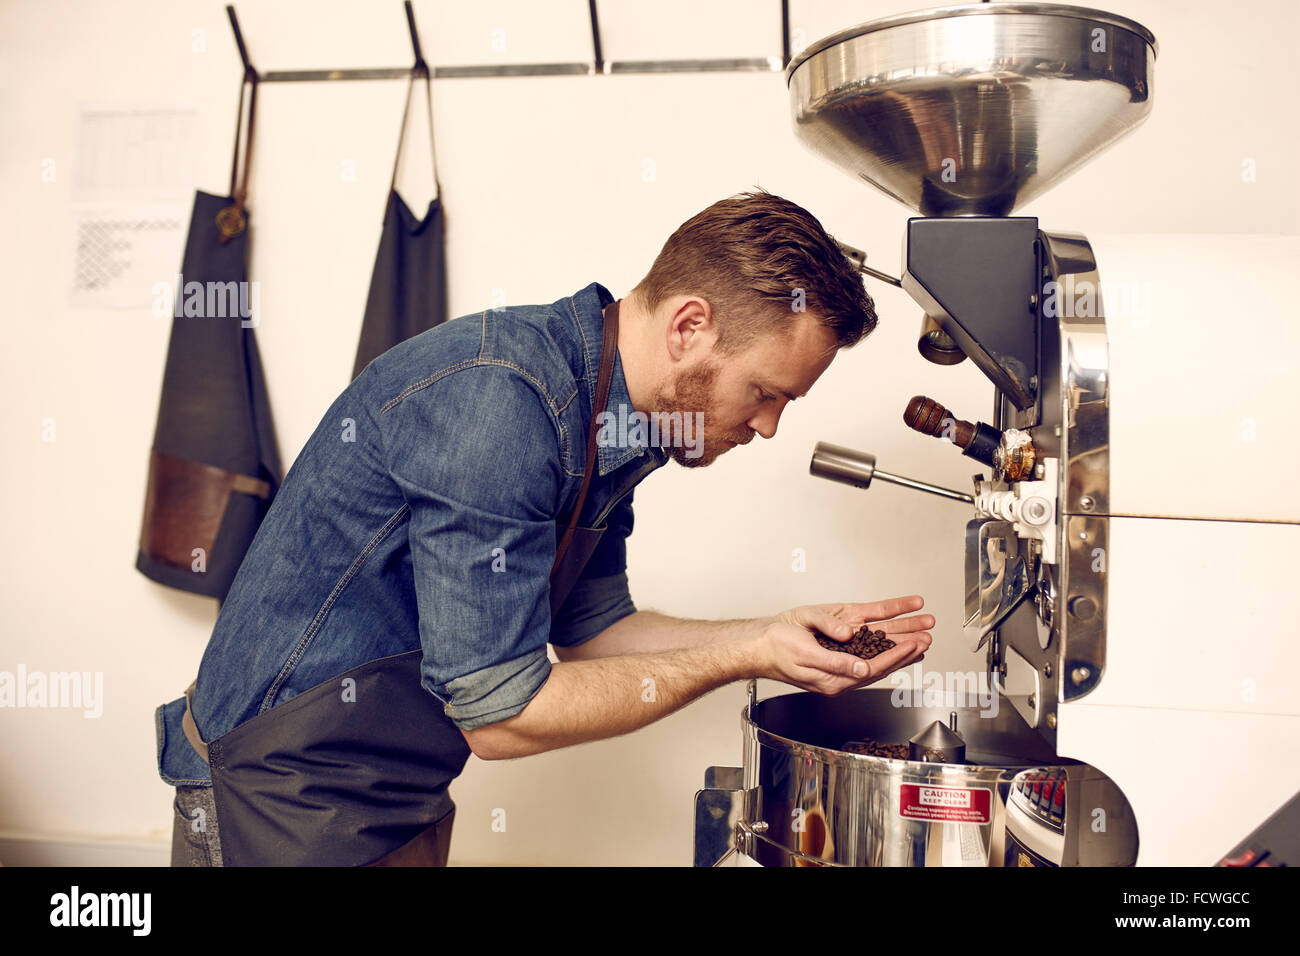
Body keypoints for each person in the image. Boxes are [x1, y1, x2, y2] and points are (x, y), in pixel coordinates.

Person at [158, 188, 934, 866]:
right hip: (278, 792)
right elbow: (502, 715)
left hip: (396, 791)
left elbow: (596, 632)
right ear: (690, 326)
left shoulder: (622, 421)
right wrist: (743, 654)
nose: (768, 426)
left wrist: (777, 635)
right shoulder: (500, 404)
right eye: (766, 392)